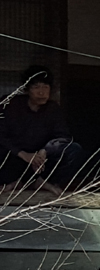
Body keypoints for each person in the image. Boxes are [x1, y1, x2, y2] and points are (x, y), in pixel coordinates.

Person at [0, 66, 86, 196]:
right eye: (36, 87)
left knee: (74, 149)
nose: (42, 92)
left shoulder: (53, 109)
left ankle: (42, 182)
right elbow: (2, 136)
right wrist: (23, 154)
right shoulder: (10, 105)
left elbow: (63, 137)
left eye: (45, 87)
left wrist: (45, 151)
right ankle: (19, 182)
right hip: (15, 159)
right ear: (27, 90)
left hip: (40, 163)